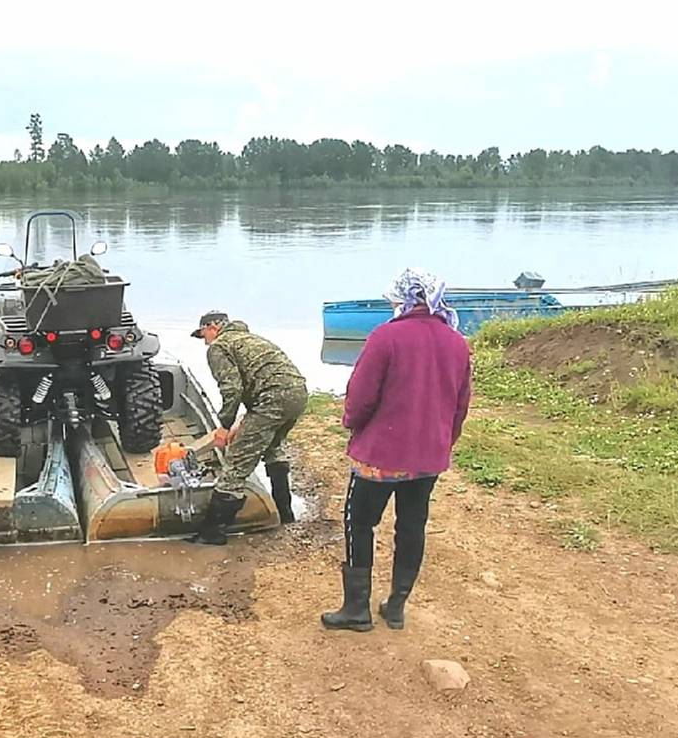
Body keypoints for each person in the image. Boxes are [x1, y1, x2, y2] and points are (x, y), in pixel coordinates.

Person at [322, 268, 472, 632]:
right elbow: (460, 404)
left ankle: (357, 609)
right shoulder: (456, 342)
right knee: (412, 526)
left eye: (393, 297)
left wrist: (352, 424)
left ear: (404, 298)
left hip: (381, 456)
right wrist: (442, 443)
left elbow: (360, 397)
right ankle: (396, 606)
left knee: (359, 522)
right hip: (427, 458)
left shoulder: (386, 337)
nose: (390, 301)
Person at [187, 310, 307, 544]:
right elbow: (257, 386)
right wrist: (241, 424)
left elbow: (232, 389)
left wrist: (223, 426)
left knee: (236, 464)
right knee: (274, 448)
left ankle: (213, 532)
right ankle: (285, 514)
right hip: (298, 394)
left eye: (204, 335)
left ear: (212, 327)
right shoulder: (250, 339)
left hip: (271, 399)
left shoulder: (219, 346)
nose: (205, 342)